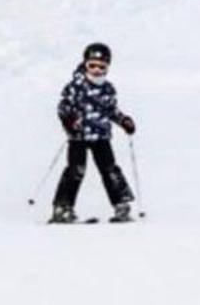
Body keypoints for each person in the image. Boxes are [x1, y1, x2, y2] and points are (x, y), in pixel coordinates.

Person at [51, 42, 137, 224]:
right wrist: (69, 120)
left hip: (101, 136)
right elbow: (63, 108)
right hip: (79, 136)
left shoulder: (108, 89)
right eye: (92, 66)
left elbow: (112, 111)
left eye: (102, 67)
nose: (97, 70)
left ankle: (121, 204)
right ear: (85, 64)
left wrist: (124, 121)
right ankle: (62, 207)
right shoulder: (76, 86)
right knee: (76, 170)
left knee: (110, 169)